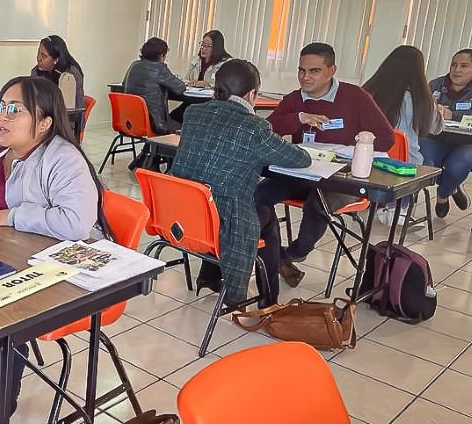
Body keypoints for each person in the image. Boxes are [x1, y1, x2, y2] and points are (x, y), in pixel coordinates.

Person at [0, 76, 108, 424]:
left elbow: (76, 223)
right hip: (13, 254)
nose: (1, 117)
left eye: (14, 110)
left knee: (0, 321)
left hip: (68, 272)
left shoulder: (63, 159)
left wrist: (13, 216)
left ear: (45, 122)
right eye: (0, 107)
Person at [172, 60, 310, 307]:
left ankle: (210, 275)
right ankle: (268, 302)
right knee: (266, 216)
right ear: (251, 94)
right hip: (224, 223)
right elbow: (300, 159)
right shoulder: (253, 127)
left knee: (223, 193)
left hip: (185, 216)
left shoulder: (193, 113)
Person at [258, 42, 394, 288]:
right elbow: (267, 129)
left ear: (331, 71)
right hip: (302, 172)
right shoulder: (294, 99)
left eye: (314, 71)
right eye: (301, 70)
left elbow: (386, 138)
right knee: (257, 195)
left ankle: (292, 253)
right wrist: (298, 118)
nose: (305, 77)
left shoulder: (355, 97)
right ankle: (274, 255)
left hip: (342, 178)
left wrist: (352, 147)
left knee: (318, 202)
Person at [363, 45, 443, 225]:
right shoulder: (421, 99)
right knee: (421, 163)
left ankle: (379, 203)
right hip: (404, 166)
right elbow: (435, 129)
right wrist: (438, 110)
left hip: (369, 160)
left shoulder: (368, 92)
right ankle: (398, 208)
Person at [421, 48, 472, 217]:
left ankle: (443, 195)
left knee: (456, 167)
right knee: (424, 164)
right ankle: (452, 186)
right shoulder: (435, 85)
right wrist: (433, 111)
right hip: (436, 138)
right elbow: (420, 109)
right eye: (454, 65)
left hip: (467, 143)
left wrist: (453, 115)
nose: (457, 70)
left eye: (464, 66)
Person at [122, 37, 187, 135]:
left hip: (130, 122)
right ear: (161, 55)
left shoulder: (134, 65)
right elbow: (180, 88)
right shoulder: (159, 68)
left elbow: (123, 85)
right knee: (188, 125)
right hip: (155, 124)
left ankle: (151, 145)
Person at [30, 34, 85, 110]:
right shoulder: (37, 71)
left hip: (68, 115)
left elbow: (67, 108)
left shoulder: (70, 75)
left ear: (56, 59)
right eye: (38, 54)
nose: (39, 59)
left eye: (43, 56)